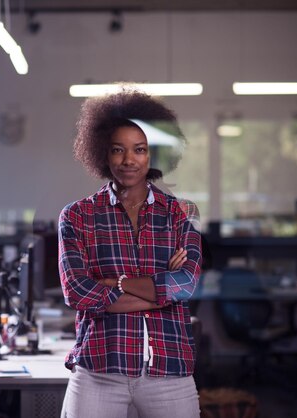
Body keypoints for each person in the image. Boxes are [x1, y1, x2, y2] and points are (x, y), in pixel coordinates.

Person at [58, 89, 202, 418]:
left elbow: (186, 284)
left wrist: (116, 283)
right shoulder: (77, 216)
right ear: (103, 154)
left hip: (170, 368)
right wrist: (159, 291)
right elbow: (78, 291)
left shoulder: (182, 212)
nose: (128, 160)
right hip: (99, 368)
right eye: (118, 150)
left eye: (140, 150)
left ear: (154, 154)